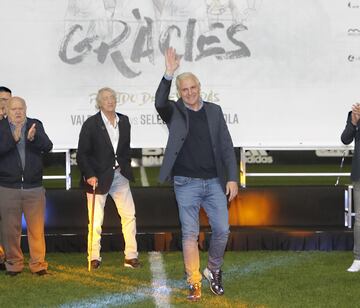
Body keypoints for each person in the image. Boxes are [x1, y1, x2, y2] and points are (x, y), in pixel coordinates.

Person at [155, 48, 238, 301]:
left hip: (214, 182)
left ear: (199, 87)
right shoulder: (174, 111)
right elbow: (159, 101)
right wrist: (169, 73)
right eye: (184, 89)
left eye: (192, 88)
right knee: (190, 234)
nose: (189, 92)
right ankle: (193, 282)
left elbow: (226, 145)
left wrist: (232, 178)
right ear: (179, 92)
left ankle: (213, 270)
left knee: (222, 230)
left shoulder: (214, 111)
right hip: (185, 183)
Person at [77, 87, 140, 270]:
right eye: (105, 98)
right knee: (96, 220)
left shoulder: (125, 121)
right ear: (99, 102)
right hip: (97, 179)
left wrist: (124, 165)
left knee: (129, 216)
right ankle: (94, 257)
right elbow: (82, 154)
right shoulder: (91, 123)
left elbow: (125, 148)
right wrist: (89, 175)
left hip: (120, 176)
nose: (110, 101)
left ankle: (131, 256)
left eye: (112, 97)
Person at [0, 96, 52, 276]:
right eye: (14, 109)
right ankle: (14, 264)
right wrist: (12, 140)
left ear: (26, 109)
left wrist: (34, 138)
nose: (18, 111)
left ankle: (38, 265)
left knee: (36, 229)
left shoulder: (35, 125)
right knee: (10, 229)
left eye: (21, 108)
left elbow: (48, 146)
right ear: (6, 111)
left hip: (34, 187)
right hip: (8, 187)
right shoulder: (1, 127)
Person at [342, 103, 360, 272]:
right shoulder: (353, 113)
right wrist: (354, 123)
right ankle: (358, 258)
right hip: (359, 173)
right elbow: (345, 139)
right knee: (359, 219)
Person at [0, 86, 12, 271]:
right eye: (2, 99)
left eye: (8, 99)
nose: (5, 103)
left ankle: (4, 257)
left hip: (7, 179)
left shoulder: (11, 122)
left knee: (5, 221)